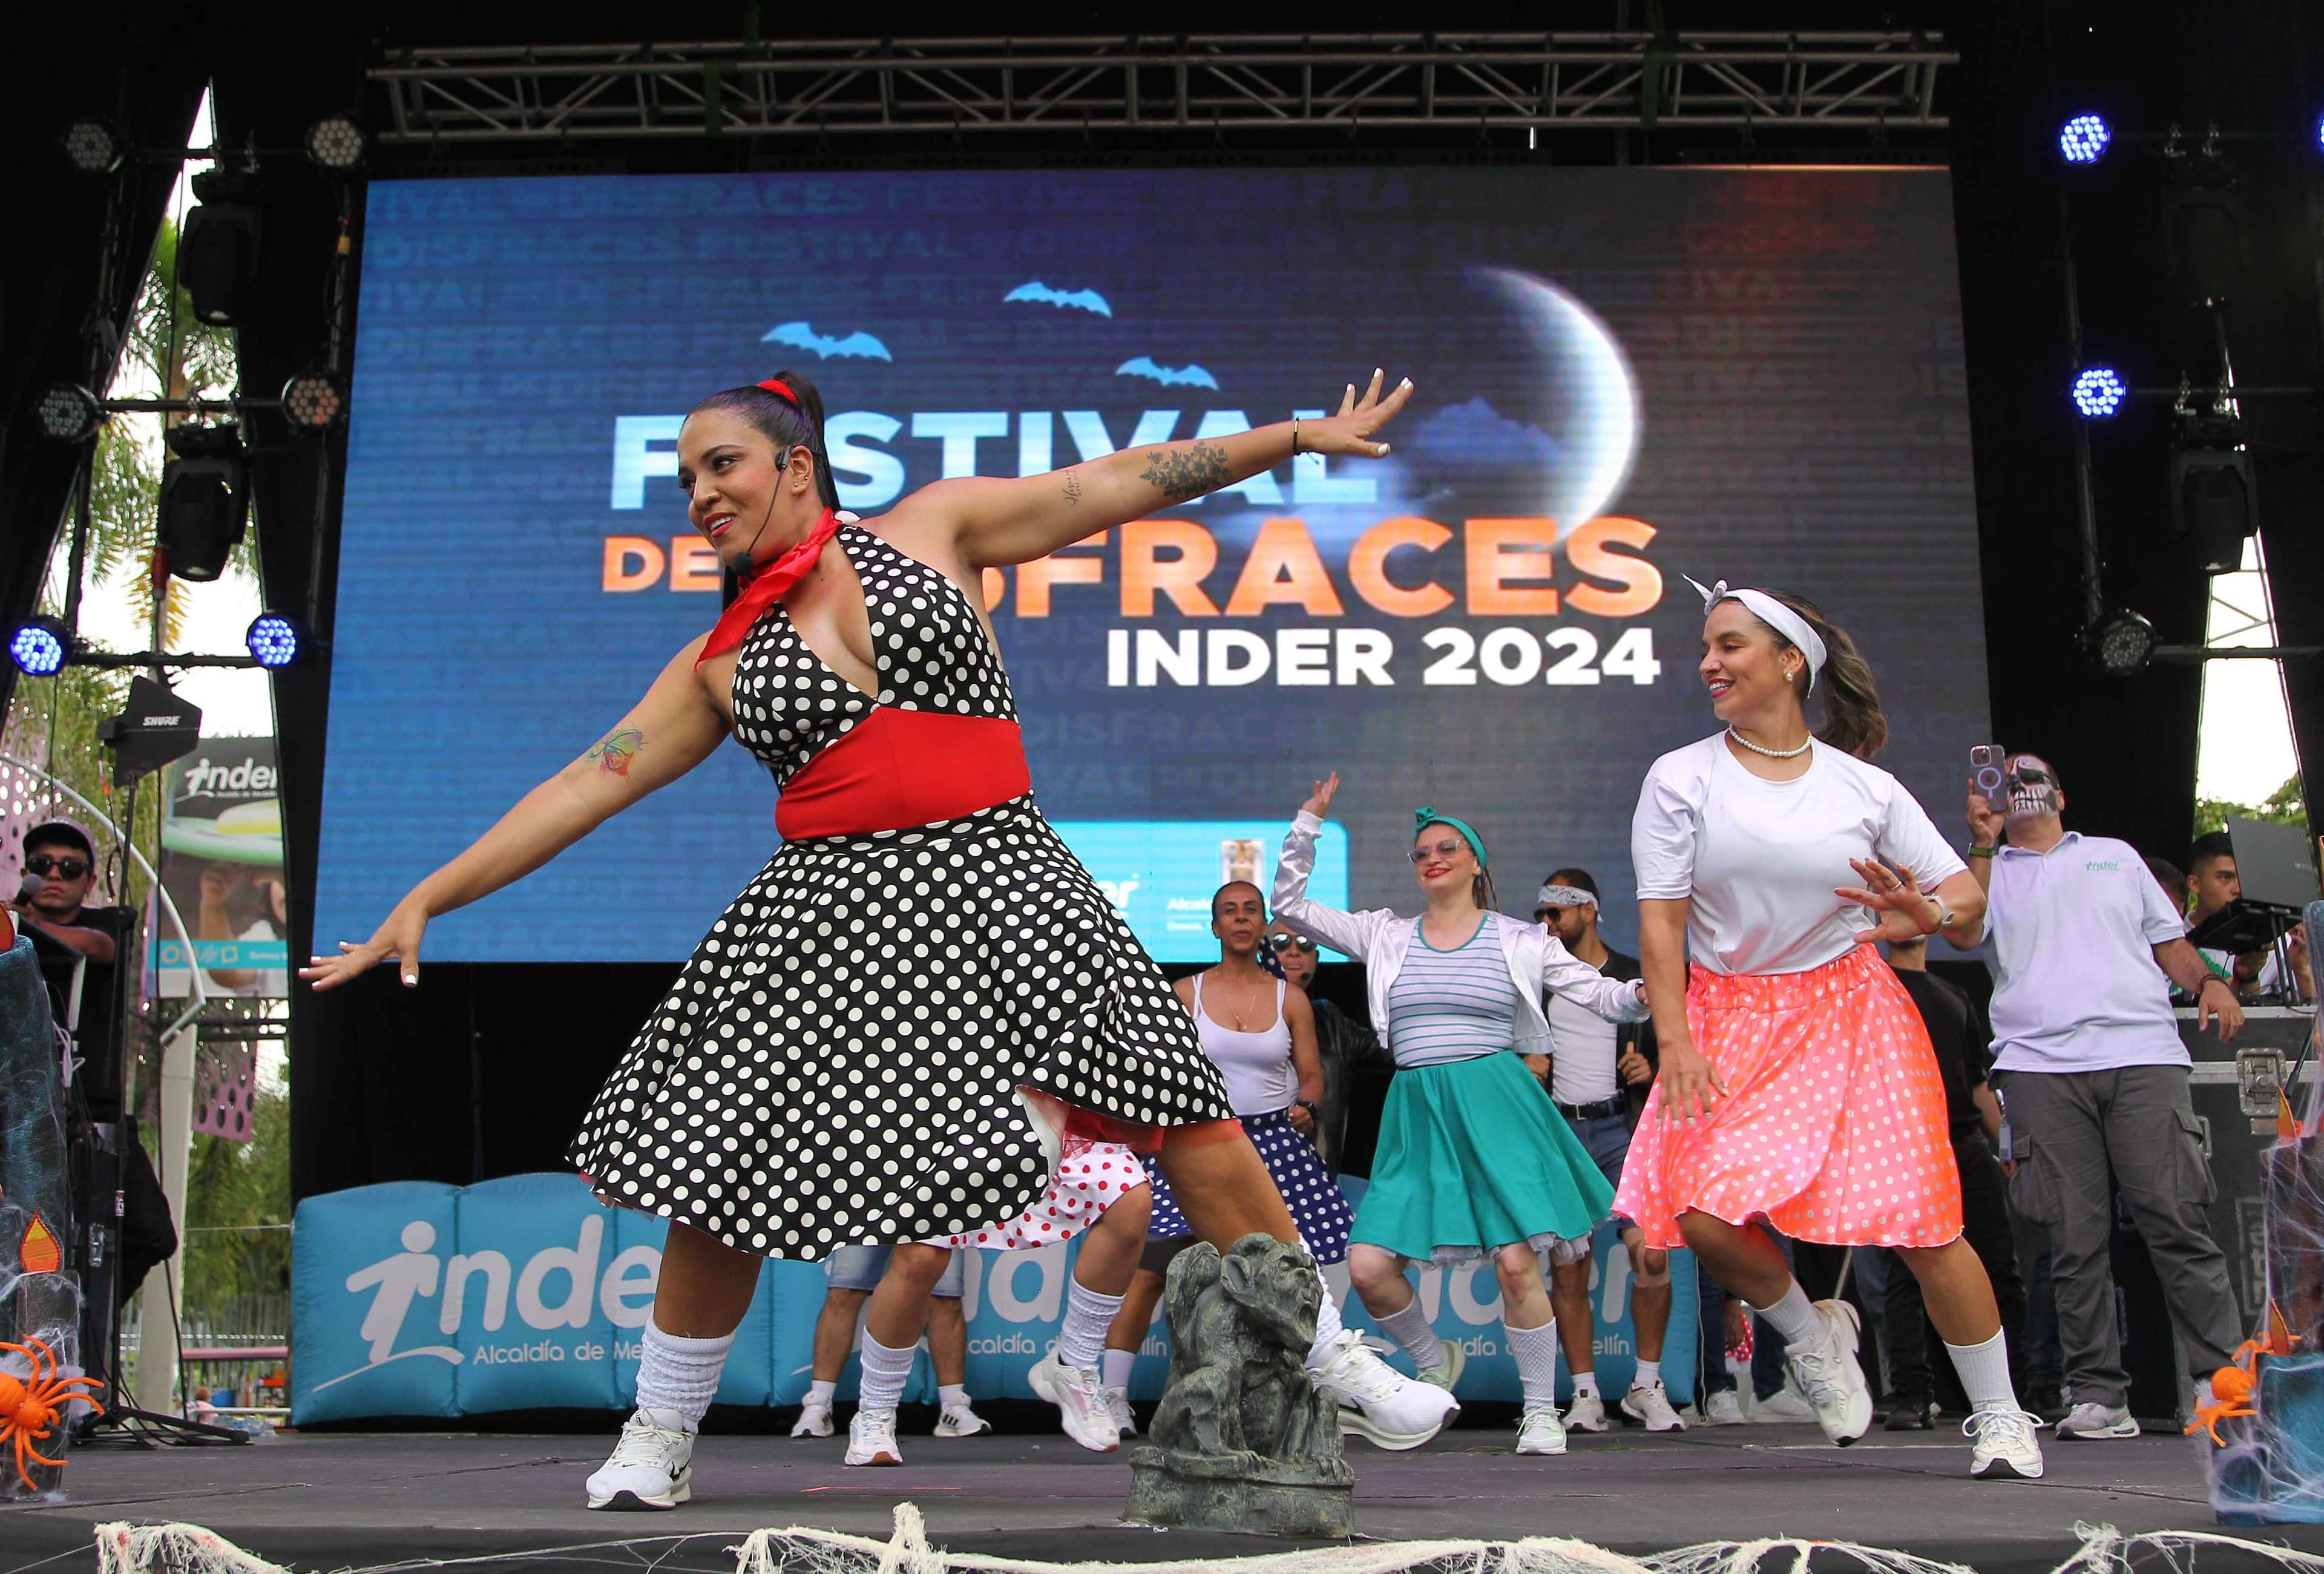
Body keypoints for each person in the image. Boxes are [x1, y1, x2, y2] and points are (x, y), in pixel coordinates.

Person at [303, 367, 1454, 1510]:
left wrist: (1298, 434)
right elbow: (582, 784)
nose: (699, 494)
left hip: (1007, 877)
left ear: (795, 465)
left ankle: (1329, 1353)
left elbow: (1117, 482)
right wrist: (429, 895)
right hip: (830, 913)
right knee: (715, 1164)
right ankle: (659, 1432)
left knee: (1182, 1105)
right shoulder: (720, 659)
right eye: (685, 478)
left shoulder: (935, 525)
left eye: (722, 466)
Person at [1615, 577, 2044, 1481]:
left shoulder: (1865, 787)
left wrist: (1919, 908)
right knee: (1699, 1214)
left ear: (1788, 660)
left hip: (1853, 1011)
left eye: (1728, 645)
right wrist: (1676, 1038)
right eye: (1707, 648)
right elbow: (1660, 920)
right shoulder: (1680, 777)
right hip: (1729, 1011)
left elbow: (1965, 907)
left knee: (1925, 1226)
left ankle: (2003, 1420)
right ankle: (1812, 1338)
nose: (1708, 663)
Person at [1273, 776, 1650, 1458]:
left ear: (1476, 863)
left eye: (1448, 848)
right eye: (1421, 852)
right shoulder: (1384, 934)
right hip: (1418, 1113)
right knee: (1366, 1266)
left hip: (1497, 1105)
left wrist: (1647, 993)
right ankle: (1434, 1355)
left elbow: (1600, 993)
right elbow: (1289, 906)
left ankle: (1541, 1412)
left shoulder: (1521, 939)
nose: (1433, 858)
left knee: (1516, 1263)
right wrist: (1310, 822)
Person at [1966, 751, 2245, 1443]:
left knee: (2175, 1216)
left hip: (2141, 1053)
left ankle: (2222, 1380)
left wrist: (2208, 981)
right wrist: (1981, 839)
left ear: (2060, 794)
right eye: (2009, 780)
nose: (2023, 788)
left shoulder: (2116, 857)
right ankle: (2098, 1395)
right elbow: (1963, 931)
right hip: (2038, 1065)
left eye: (2035, 778)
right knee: (2072, 1238)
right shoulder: (1986, 871)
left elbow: (2169, 943)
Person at [1098, 883, 1354, 1438]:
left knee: (1287, 1275)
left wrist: (1307, 1104)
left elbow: (1311, 1072)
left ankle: (1303, 1399)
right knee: (1150, 1273)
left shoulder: (1292, 998)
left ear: (1264, 924)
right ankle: (1111, 1396)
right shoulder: (1183, 992)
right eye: (1228, 911)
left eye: (1251, 911)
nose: (1241, 919)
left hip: (1272, 1143)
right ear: (1214, 927)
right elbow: (1153, 1068)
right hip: (1199, 1142)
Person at [1526, 871, 1680, 1435]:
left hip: (1623, 1128)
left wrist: (1655, 1070)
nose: (1545, 924)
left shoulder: (1626, 978)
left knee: (1653, 1254)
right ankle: (1585, 1393)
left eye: (1556, 913)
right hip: (1561, 1135)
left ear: (1587, 911)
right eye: (1540, 914)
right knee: (1570, 1267)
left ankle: (1646, 1384)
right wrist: (1527, 1064)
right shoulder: (1537, 978)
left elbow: (1683, 1045)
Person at [1875, 934, 2025, 1431]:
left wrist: (2003, 1141)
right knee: (1908, 1272)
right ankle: (1911, 1392)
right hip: (1903, 1142)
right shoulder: (1869, 990)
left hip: (1963, 1141)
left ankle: (2014, 1391)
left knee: (1999, 1263)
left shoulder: (1953, 993)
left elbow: (1979, 1082)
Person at [791, 1245, 988, 1444]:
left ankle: (953, 1406)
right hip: (867, 1213)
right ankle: (818, 1404)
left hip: (936, 1215)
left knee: (945, 1295)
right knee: (845, 1289)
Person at [1266, 922, 1389, 1175]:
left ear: (1316, 959)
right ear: (1262, 953)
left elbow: (1395, 1051)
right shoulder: (1232, 1015)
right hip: (1249, 1178)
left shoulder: (1331, 1021)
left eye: (1305, 944)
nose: (1293, 951)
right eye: (1281, 942)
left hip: (1318, 1180)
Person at [2184, 830, 2309, 1003]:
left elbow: (2312, 1016)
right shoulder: (2170, 938)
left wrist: (2301, 968)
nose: (2238, 889)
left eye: (2243, 879)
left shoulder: (2278, 942)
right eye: (2225, 878)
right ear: (2195, 884)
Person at [13, 821, 118, 963]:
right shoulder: (6, 915)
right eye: (41, 864)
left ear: (90, 883)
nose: (54, 875)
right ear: (25, 874)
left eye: (70, 867)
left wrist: (31, 926)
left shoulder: (112, 920)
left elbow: (97, 945)